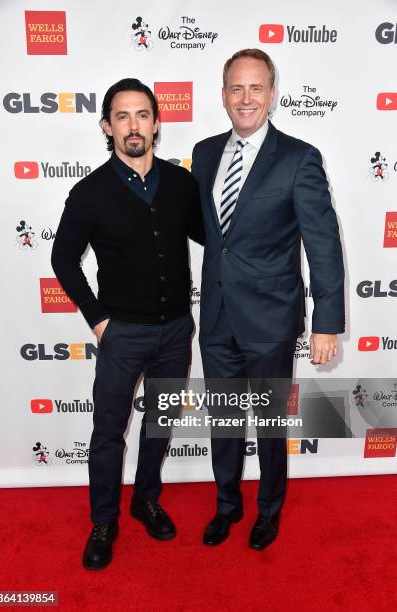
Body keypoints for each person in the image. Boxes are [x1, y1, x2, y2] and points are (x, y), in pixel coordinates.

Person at [191, 49, 345, 550]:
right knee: (225, 419)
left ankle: (269, 510)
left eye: (256, 88)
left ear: (273, 94)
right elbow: (206, 233)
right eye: (236, 88)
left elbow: (322, 243)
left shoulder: (300, 158)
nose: (246, 98)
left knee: (270, 424)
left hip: (272, 320)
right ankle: (227, 505)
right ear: (223, 96)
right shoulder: (206, 152)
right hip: (215, 317)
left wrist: (326, 321)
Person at [52, 78, 203, 569]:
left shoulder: (181, 184)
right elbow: (63, 259)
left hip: (177, 330)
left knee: (159, 424)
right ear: (107, 126)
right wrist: (98, 320)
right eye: (122, 116)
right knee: (108, 431)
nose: (133, 125)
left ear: (157, 123)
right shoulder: (90, 192)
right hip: (121, 335)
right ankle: (103, 520)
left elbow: (215, 239)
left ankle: (145, 499)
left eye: (142, 115)